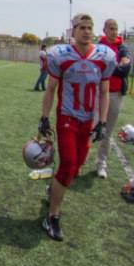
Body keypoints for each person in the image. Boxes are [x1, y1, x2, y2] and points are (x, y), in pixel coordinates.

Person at [39, 13, 116, 241]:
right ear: (73, 30)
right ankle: (52, 216)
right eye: (81, 27)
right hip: (67, 117)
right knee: (68, 163)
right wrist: (44, 117)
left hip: (87, 120)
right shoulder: (61, 55)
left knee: (76, 167)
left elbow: (104, 92)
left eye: (89, 27)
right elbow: (51, 89)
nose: (85, 30)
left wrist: (101, 121)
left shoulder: (104, 56)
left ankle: (53, 190)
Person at [94, 19, 132, 178]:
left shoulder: (122, 47)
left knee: (107, 132)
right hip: (97, 93)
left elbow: (125, 68)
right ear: (104, 30)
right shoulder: (97, 47)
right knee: (89, 128)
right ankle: (78, 162)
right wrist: (113, 67)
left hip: (115, 94)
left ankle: (101, 163)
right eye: (111, 28)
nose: (114, 31)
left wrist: (108, 67)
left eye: (116, 28)